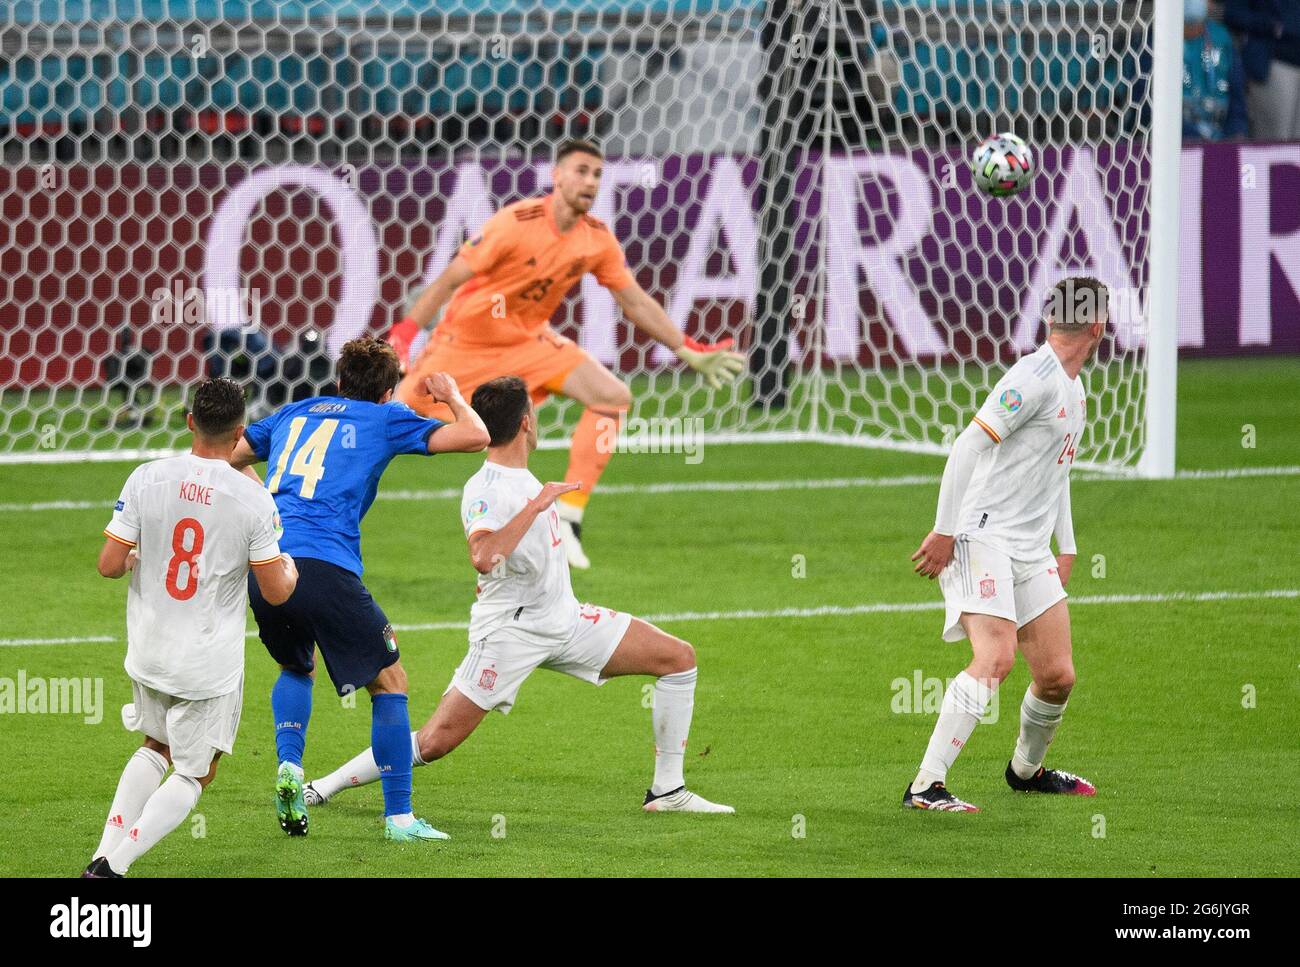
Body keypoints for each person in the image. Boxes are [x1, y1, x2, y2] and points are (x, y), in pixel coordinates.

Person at [303, 376, 734, 817]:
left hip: (564, 622)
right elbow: (483, 555)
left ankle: (667, 790)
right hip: (510, 633)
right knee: (435, 742)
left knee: (678, 658)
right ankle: (322, 786)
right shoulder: (488, 488)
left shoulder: (523, 478)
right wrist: (537, 507)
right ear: (526, 422)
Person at [386, 139, 745, 570]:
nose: (590, 181)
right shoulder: (515, 223)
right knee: (390, 420)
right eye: (581, 170)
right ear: (556, 176)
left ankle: (570, 518)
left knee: (611, 396)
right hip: (465, 342)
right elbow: (445, 282)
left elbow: (634, 301)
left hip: (528, 341)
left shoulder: (596, 239)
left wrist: (688, 348)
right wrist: (402, 337)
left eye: (597, 174)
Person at [230, 337, 489, 841]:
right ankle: (400, 818)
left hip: (268, 566)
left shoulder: (294, 412)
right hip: (325, 569)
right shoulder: (385, 419)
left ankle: (290, 766)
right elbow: (475, 436)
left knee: (294, 665)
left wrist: (265, 498)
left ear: (340, 380)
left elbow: (226, 456)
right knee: (390, 683)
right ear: (388, 391)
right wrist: (452, 394)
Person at [904, 278, 1105, 813]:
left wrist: (1067, 546)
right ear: (1098, 326)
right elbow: (968, 444)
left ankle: (1026, 771)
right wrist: (946, 529)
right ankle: (925, 785)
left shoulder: (1074, 388)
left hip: (1030, 549)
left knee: (1058, 676)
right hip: (981, 537)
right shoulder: (1032, 378)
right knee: (995, 659)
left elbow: (1056, 471)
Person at [84, 377, 298, 877]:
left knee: (153, 746)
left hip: (148, 651)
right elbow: (276, 592)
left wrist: (143, 554)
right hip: (206, 664)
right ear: (240, 432)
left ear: (189, 422)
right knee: (197, 771)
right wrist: (289, 564)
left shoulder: (146, 477)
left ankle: (101, 856)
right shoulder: (253, 499)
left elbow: (109, 564)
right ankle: (112, 867)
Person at [1225, 0, 1300, 139]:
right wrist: (1271, 25)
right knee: (1276, 140)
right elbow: (1232, 13)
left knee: (1296, 145)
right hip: (1274, 62)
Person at [1183, 0, 1250, 142]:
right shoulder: (1155, 42)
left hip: (1220, 141)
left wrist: (1236, 131)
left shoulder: (1222, 39)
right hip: (1174, 142)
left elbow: (1237, 97)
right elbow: (1146, 105)